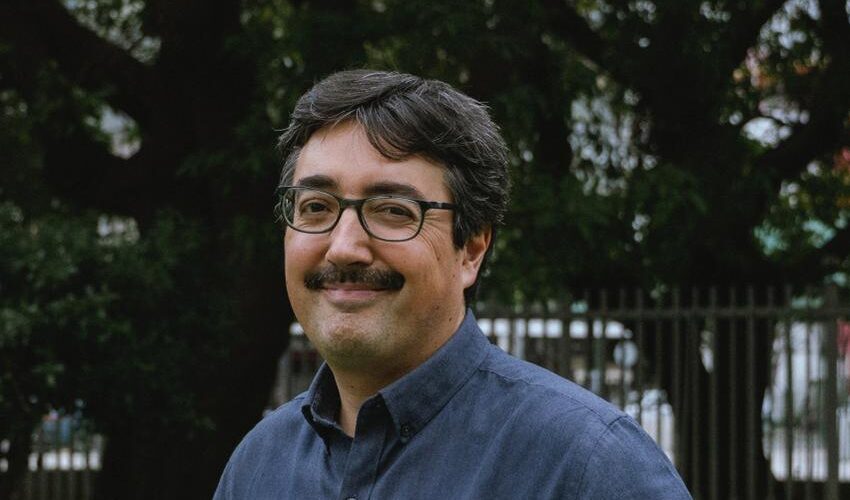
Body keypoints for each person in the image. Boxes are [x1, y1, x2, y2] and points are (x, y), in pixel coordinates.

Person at [214, 69, 691, 499]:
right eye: (316, 207)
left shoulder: (588, 465)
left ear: (472, 251)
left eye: (393, 211)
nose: (343, 248)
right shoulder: (258, 467)